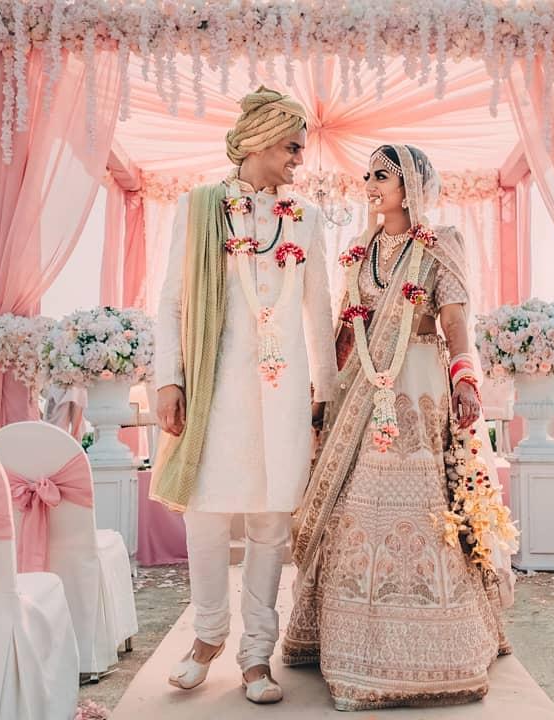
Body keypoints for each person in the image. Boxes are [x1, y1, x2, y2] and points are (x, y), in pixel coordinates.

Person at [284, 144, 513, 711]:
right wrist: (325, 394)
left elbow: (455, 318)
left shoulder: (441, 244)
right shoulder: (359, 250)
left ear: (410, 184)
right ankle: (348, 645)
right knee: (358, 501)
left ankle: (434, 649)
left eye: (381, 175)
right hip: (363, 391)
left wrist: (466, 380)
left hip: (418, 386)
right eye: (367, 174)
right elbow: (345, 326)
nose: (369, 183)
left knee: (422, 505)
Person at [150, 86, 337, 705]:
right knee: (205, 514)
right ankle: (206, 638)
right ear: (258, 140)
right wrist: (168, 379)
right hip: (215, 385)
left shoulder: (306, 218)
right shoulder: (202, 207)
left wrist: (325, 395)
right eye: (291, 146)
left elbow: (318, 307)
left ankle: (257, 657)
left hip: (282, 396)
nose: (298, 159)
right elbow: (173, 301)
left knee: (269, 522)